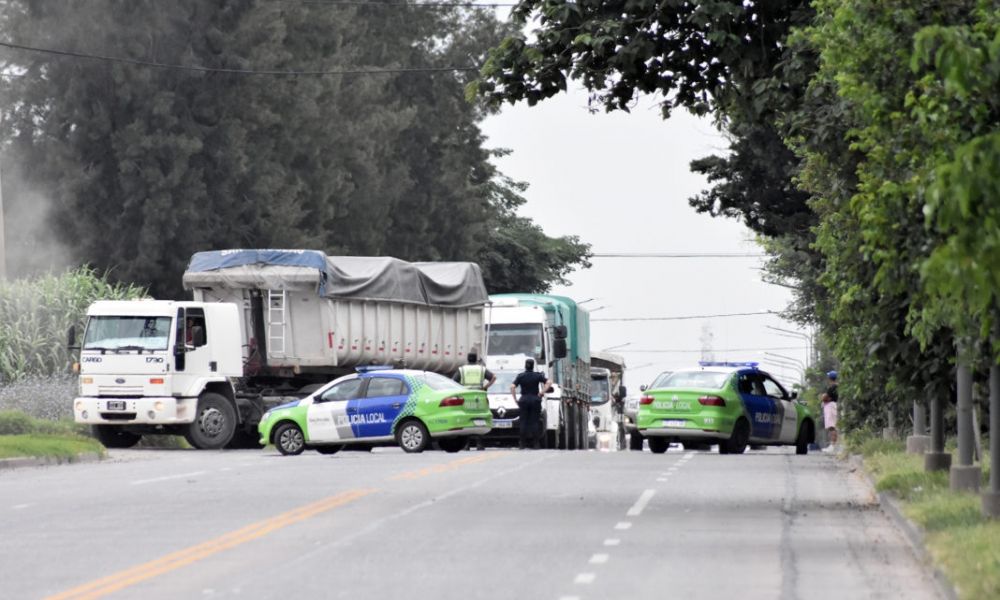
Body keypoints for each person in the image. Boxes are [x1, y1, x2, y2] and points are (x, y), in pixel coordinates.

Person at [454, 352, 496, 451]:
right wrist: (485, 387)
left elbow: (453, 381)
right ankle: (480, 444)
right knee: (480, 419)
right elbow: (494, 377)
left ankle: (466, 444)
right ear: (476, 359)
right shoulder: (481, 369)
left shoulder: (462, 370)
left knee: (467, 420)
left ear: (468, 359)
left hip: (466, 397)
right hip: (479, 397)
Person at [511, 358, 552, 450]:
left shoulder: (520, 376)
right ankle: (536, 444)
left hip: (524, 400)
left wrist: (515, 399)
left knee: (523, 422)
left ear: (525, 366)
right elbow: (549, 382)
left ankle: (522, 444)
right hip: (535, 399)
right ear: (533, 366)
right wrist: (542, 392)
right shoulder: (537, 376)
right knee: (535, 421)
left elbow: (512, 386)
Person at [821, 370, 839, 451]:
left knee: (832, 426)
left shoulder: (832, 387)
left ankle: (832, 446)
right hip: (831, 405)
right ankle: (832, 446)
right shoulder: (835, 386)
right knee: (831, 426)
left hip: (830, 406)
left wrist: (824, 397)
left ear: (830, 378)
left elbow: (825, 397)